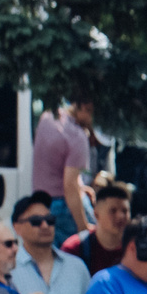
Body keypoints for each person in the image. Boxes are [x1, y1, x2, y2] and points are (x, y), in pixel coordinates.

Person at [33, 99, 97, 238]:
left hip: (41, 203)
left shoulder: (48, 116)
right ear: (85, 106)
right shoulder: (77, 136)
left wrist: (80, 187)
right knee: (89, 244)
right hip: (63, 206)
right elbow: (70, 185)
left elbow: (54, 167)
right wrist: (83, 227)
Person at [63, 180, 131, 277]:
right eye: (113, 211)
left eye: (125, 211)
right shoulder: (74, 249)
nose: (120, 216)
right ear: (96, 214)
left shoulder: (134, 249)